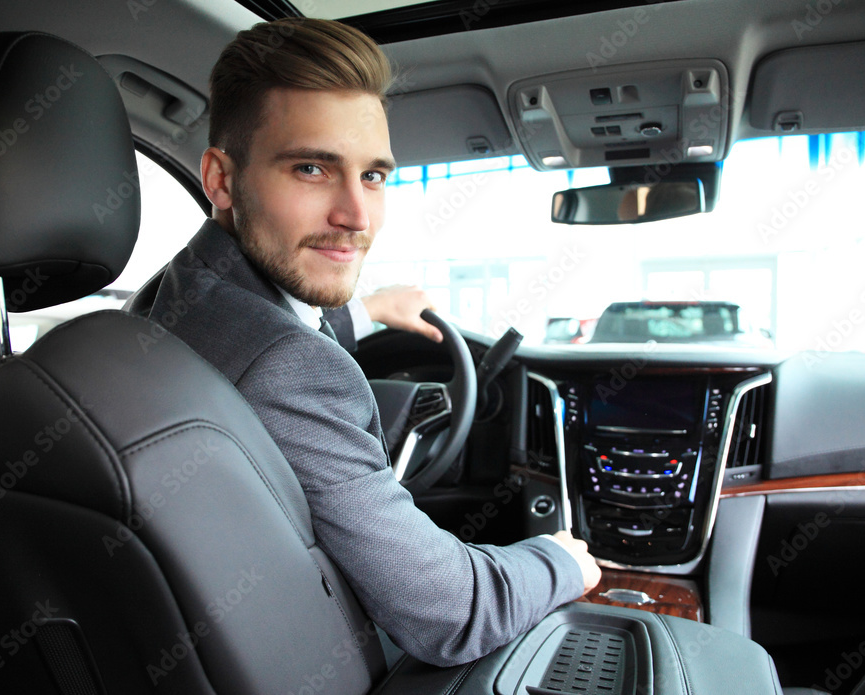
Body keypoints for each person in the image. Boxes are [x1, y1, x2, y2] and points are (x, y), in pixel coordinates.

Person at [137, 17, 600, 667]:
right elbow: (453, 611)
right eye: (310, 167)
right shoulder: (291, 367)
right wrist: (560, 560)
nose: (356, 215)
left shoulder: (178, 293)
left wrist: (370, 307)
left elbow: (265, 323)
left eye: (374, 176)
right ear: (219, 180)